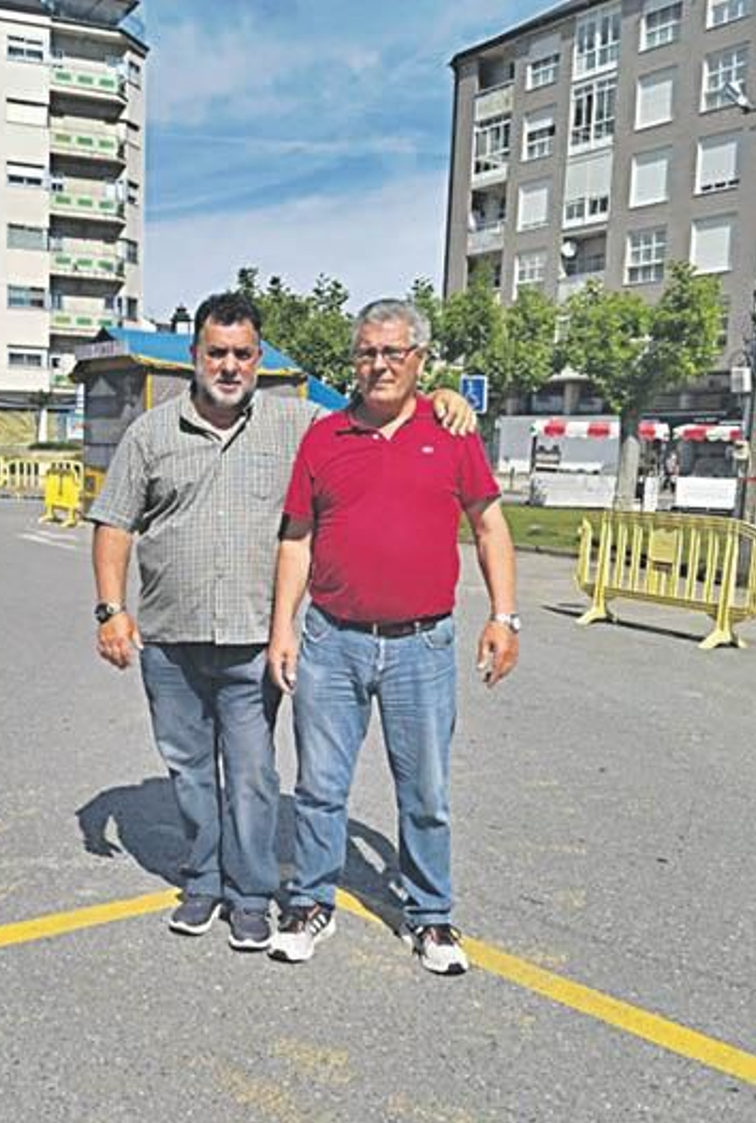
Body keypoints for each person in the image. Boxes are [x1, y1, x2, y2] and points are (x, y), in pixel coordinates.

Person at [88, 292, 477, 952]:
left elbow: (379, 403)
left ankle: (250, 892)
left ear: (259, 358)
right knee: (187, 769)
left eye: (243, 353)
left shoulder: (298, 423)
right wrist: (111, 610)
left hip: (249, 640)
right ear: (194, 356)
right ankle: (203, 881)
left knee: (252, 774)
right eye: (218, 352)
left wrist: (440, 393)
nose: (230, 365)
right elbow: (113, 522)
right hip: (171, 639)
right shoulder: (150, 434)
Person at [266, 298, 519, 975]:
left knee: (426, 790)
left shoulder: (452, 431)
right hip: (331, 640)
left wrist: (505, 614)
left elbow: (490, 526)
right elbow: (297, 538)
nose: (378, 364)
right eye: (367, 352)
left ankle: (431, 913)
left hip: (423, 646)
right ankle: (311, 900)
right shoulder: (324, 437)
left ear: (419, 359)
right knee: (319, 784)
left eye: (393, 352)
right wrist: (281, 629)